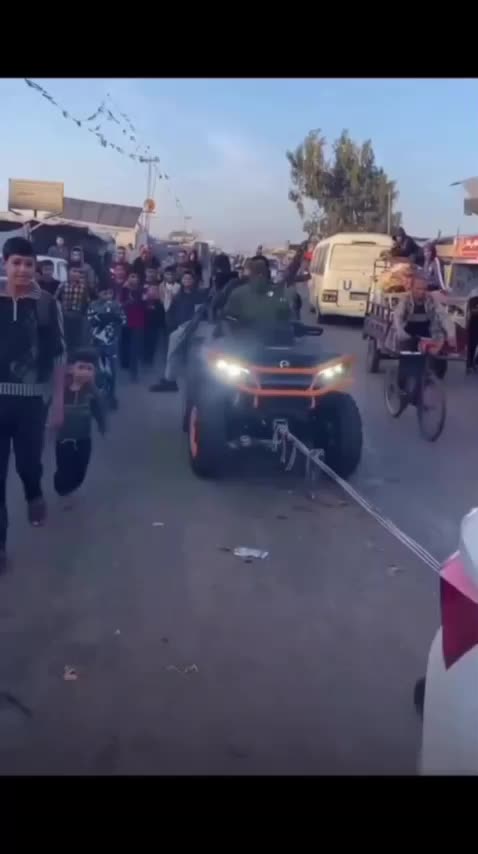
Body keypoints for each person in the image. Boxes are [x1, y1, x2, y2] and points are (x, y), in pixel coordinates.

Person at [0, 237, 66, 572]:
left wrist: (57, 404)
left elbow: (57, 355)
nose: (23, 270)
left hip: (32, 403)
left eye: (28, 264)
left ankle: (33, 494)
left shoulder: (45, 304)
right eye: (16, 263)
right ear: (5, 264)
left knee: (28, 466)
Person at [54, 348, 106, 506]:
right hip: (64, 439)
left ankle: (72, 484)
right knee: (65, 469)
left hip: (84, 438)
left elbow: (98, 409)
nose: (84, 372)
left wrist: (102, 424)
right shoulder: (61, 389)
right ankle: (63, 490)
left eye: (89, 369)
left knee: (81, 470)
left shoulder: (91, 391)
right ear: (71, 368)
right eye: (81, 367)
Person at [150, 270, 206, 393]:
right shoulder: (178, 295)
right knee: (173, 354)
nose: (186, 281)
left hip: (192, 328)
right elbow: (170, 311)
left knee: (190, 356)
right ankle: (170, 380)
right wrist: (171, 325)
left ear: (193, 281)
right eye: (184, 279)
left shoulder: (198, 295)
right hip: (178, 328)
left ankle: (181, 382)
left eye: (189, 279)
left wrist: (191, 326)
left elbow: (200, 312)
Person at [392, 273, 447, 386]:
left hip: (426, 333)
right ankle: (401, 390)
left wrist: (450, 334)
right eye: (418, 288)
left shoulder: (431, 300)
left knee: (439, 360)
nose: (421, 292)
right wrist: (400, 332)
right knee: (407, 361)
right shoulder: (406, 300)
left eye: (424, 289)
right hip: (408, 334)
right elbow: (397, 316)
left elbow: (443, 316)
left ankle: (429, 382)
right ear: (411, 288)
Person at [222, 257, 292, 342]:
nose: (260, 276)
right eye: (257, 272)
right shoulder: (238, 293)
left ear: (267, 274)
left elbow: (286, 319)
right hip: (243, 343)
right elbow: (228, 317)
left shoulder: (277, 294)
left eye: (262, 273)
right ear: (251, 274)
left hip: (271, 343)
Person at [87, 278, 126, 409]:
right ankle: (97, 397)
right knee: (97, 370)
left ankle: (111, 397)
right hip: (96, 342)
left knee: (111, 371)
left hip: (112, 342)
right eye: (104, 293)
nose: (107, 296)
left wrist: (115, 317)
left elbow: (123, 320)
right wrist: (101, 318)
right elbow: (90, 320)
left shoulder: (117, 305)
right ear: (98, 293)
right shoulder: (93, 305)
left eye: (110, 293)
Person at [57, 266, 91, 354]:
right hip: (65, 314)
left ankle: (74, 356)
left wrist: (84, 313)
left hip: (77, 314)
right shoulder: (63, 285)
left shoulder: (83, 287)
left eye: (78, 272)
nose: (76, 274)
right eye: (74, 271)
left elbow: (87, 301)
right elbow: (56, 298)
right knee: (65, 336)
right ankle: (65, 355)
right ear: (69, 272)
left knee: (76, 337)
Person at [121, 271, 146, 381]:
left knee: (134, 348)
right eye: (131, 276)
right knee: (125, 346)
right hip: (125, 321)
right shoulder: (124, 290)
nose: (133, 279)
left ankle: (133, 372)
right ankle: (124, 367)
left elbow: (145, 304)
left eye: (135, 277)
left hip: (138, 322)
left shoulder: (142, 290)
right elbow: (120, 304)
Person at [143, 267, 165, 366]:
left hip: (155, 322)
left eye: (152, 271)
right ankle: (143, 358)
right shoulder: (140, 285)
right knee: (143, 341)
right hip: (143, 321)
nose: (150, 274)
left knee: (153, 342)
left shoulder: (161, 286)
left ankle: (149, 360)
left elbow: (161, 312)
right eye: (149, 271)